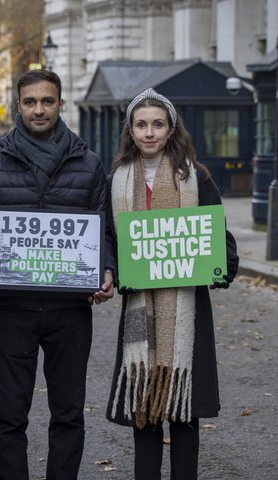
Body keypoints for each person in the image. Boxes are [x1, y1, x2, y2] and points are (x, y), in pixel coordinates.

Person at [0, 69, 115, 480]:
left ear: (60, 104)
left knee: (68, 414)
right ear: (18, 105)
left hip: (71, 311)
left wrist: (106, 270)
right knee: (9, 414)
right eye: (30, 101)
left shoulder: (89, 163)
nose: (38, 109)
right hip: (13, 309)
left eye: (47, 101)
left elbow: (103, 229)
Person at [105, 88, 239, 480]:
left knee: (185, 412)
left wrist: (219, 267)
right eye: (141, 124)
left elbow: (221, 242)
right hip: (138, 312)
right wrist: (112, 269)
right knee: (145, 413)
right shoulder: (115, 181)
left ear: (171, 128)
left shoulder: (196, 178)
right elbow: (109, 241)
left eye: (157, 124)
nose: (149, 132)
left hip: (187, 310)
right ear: (130, 130)